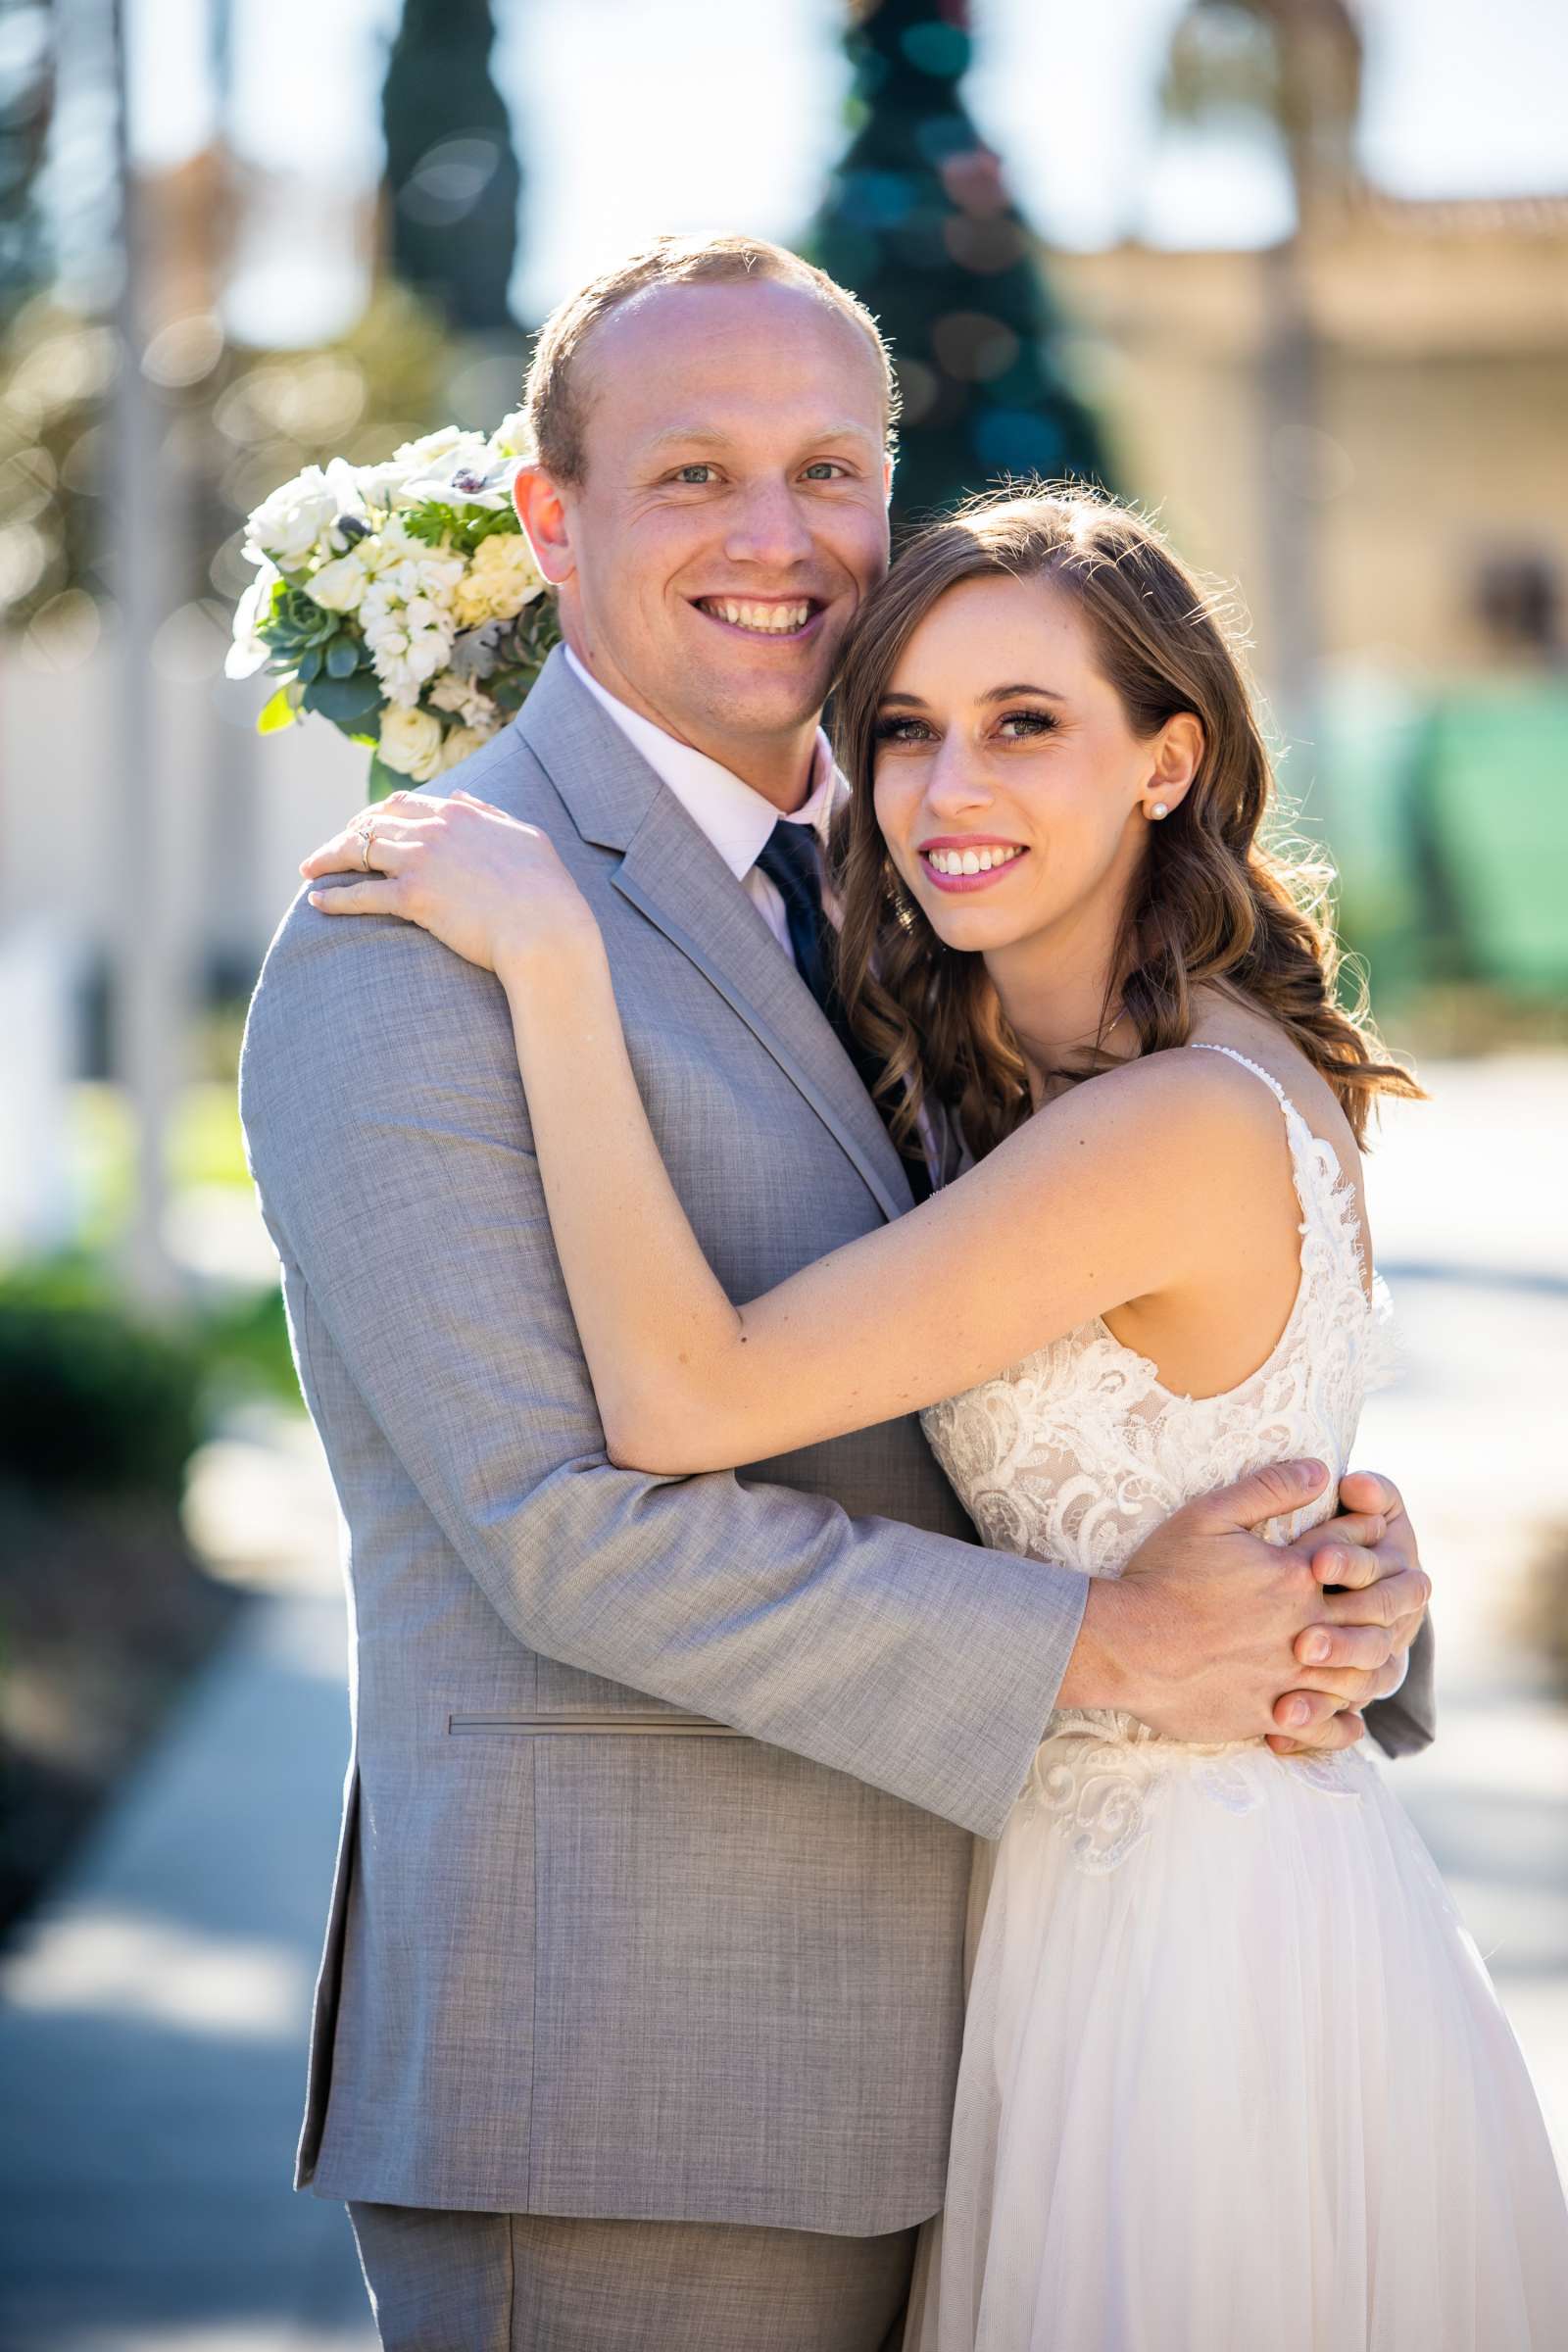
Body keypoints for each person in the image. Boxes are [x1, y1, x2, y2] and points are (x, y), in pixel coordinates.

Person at [247, 234, 1431, 2352]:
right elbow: (558, 1528)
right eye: (691, 475)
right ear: (551, 520)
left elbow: (1073, 1350)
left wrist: (1322, 1580)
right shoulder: (405, 939)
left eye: (826, 466)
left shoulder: (936, 907)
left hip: (1040, 2047)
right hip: (637, 2093)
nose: (777, 538)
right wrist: (1105, 1647)